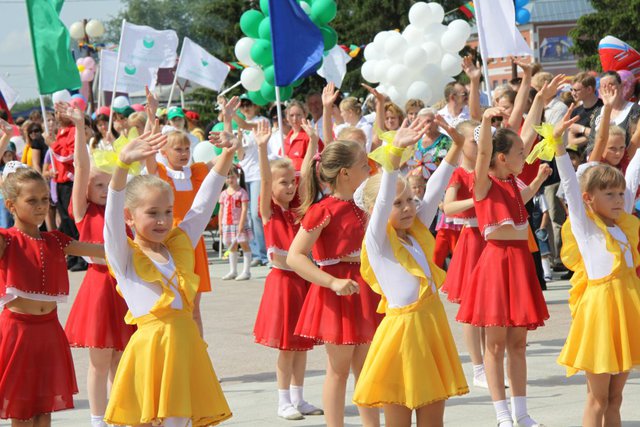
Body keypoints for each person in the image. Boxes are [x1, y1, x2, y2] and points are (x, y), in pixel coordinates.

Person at [103, 130, 235, 427]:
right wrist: (121, 166)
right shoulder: (125, 256)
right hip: (152, 351)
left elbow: (202, 206)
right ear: (129, 216)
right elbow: (110, 220)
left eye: (167, 211)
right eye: (152, 213)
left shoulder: (178, 246)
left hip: (186, 348)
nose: (163, 220)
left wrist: (227, 155)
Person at [353, 119, 468, 427]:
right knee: (398, 418)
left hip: (430, 329)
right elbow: (381, 203)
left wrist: (456, 147)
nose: (407, 208)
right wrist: (392, 156)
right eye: (398, 203)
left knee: (433, 419)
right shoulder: (377, 243)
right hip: (402, 337)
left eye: (409, 201)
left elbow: (435, 188)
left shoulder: (416, 232)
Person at [456, 107, 552, 427]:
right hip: (496, 264)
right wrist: (485, 121)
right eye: (519, 152)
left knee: (518, 344)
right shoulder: (483, 183)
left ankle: (521, 413)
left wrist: (537, 180)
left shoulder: (512, 182)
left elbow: (521, 198)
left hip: (520, 262)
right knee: (495, 344)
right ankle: (502, 414)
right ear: (501, 158)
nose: (525, 155)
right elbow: (483, 152)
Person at [554, 106, 640, 427]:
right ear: (589, 199)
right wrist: (559, 147)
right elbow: (570, 187)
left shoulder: (624, 227)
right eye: (609, 194)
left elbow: (634, 167)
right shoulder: (587, 229)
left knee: (616, 399)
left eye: (620, 194)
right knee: (597, 398)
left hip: (626, 316)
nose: (618, 199)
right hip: (600, 318)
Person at [287, 140, 382, 427]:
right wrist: (331, 282)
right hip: (338, 294)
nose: (369, 169)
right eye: (364, 165)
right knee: (338, 370)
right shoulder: (323, 210)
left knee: (367, 369)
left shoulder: (365, 204)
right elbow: (295, 256)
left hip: (366, 289)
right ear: (345, 173)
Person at [0, 164, 104, 427]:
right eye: (31, 200)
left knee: (44, 410)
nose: (40, 206)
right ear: (11, 205)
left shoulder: (55, 240)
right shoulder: (6, 240)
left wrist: (140, 244)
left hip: (49, 333)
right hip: (18, 334)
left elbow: (103, 251)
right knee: (22, 410)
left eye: (45, 199)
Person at [56, 104, 135, 427]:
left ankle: (119, 415)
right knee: (100, 360)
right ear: (86, 189)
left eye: (108, 185)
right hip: (99, 288)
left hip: (124, 287)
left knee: (122, 359)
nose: (104, 191)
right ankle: (97, 419)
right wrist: (79, 128)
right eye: (98, 185)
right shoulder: (83, 211)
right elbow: (81, 165)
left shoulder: (122, 212)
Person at [252, 120, 322, 420]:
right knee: (286, 346)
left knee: (301, 345)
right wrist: (262, 148)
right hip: (282, 283)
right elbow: (265, 179)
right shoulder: (270, 213)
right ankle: (283, 400)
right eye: (284, 183)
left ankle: (298, 397)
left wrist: (313, 142)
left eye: (291, 182)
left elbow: (306, 174)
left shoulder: (298, 210)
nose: (290, 186)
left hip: (302, 281)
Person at [145, 126, 219, 334]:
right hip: (169, 240)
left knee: (194, 307)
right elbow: (149, 159)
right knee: (172, 305)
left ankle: (198, 349)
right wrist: (151, 124)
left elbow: (222, 161)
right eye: (178, 149)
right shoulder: (161, 173)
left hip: (193, 241)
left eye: (187, 148)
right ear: (164, 152)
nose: (184, 153)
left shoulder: (195, 173)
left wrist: (229, 123)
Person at [441, 119, 488, 388]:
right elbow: (448, 207)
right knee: (471, 308)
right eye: (474, 141)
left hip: (492, 238)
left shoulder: (489, 170)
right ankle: (478, 367)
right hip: (472, 240)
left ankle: (490, 363)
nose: (479, 146)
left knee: (490, 306)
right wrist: (476, 200)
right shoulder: (459, 174)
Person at [46, 102, 87, 272]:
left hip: (71, 183)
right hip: (60, 183)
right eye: (56, 112)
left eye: (61, 112)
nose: (58, 115)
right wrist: (51, 170)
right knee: (65, 222)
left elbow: (70, 157)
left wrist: (53, 144)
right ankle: (72, 256)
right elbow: (57, 160)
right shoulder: (60, 132)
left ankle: (82, 257)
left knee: (73, 220)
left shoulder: (73, 131)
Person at [236, 95, 269, 267]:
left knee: (257, 214)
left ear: (255, 105)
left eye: (248, 104)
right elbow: (240, 155)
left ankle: (265, 253)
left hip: (258, 174)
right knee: (247, 215)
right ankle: (256, 253)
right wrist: (238, 139)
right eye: (242, 106)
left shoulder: (261, 121)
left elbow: (245, 124)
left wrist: (230, 113)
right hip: (245, 174)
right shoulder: (241, 128)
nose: (245, 108)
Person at [589, 83, 640, 172]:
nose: (618, 153)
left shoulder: (624, 160)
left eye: (622, 147)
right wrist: (608, 108)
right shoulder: (594, 163)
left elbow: (638, 134)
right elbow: (602, 139)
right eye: (612, 148)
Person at [219, 165, 253, 281]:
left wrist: (241, 224)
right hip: (227, 224)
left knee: (244, 245)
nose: (230, 180)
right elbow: (221, 210)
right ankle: (233, 271)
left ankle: (246, 271)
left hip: (239, 224)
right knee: (231, 246)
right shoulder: (223, 193)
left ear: (238, 176)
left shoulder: (242, 192)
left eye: (232, 177)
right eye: (227, 177)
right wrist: (220, 225)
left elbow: (244, 209)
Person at [588, 71, 640, 148]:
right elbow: (591, 144)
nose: (607, 88)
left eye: (611, 84)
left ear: (621, 86)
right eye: (603, 86)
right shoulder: (598, 112)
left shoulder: (635, 110)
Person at [283, 101, 324, 173]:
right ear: (287, 117)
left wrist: (291, 162)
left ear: (305, 115)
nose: (295, 119)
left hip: (305, 177)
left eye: (298, 115)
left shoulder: (311, 136)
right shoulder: (286, 140)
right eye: (291, 115)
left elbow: (318, 160)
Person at [568, 72, 602, 148]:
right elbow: (571, 142)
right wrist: (593, 135)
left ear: (589, 89)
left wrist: (581, 129)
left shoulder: (603, 108)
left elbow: (604, 136)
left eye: (576, 90)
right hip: (581, 154)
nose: (573, 93)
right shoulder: (575, 112)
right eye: (571, 90)